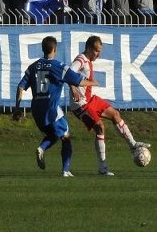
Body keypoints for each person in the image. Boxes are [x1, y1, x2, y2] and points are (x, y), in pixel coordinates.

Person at [13, 36, 98, 177]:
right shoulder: (58, 66)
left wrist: (17, 107)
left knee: (53, 134)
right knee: (66, 136)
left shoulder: (33, 66)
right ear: (54, 49)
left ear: (43, 49)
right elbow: (77, 80)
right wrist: (92, 83)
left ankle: (41, 148)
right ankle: (66, 170)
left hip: (36, 110)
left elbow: (21, 86)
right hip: (51, 108)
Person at [69, 35, 151, 176]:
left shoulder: (88, 60)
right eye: (96, 51)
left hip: (89, 99)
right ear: (88, 48)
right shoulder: (81, 59)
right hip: (80, 104)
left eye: (100, 51)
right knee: (100, 127)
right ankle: (103, 167)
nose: (98, 54)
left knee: (115, 114)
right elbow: (68, 72)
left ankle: (133, 145)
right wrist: (73, 88)